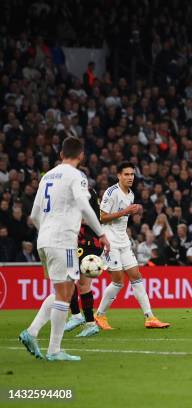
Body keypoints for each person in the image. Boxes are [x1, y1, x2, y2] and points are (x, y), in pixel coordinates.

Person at [19, 137, 110, 361]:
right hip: (63, 241)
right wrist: (101, 233)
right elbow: (84, 206)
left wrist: (46, 233)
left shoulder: (47, 176)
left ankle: (32, 332)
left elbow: (33, 215)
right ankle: (54, 350)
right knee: (64, 294)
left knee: (63, 292)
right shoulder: (76, 176)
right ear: (81, 156)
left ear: (61, 154)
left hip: (45, 240)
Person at [94, 162, 170, 330]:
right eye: (126, 174)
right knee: (118, 281)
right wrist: (125, 212)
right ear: (119, 176)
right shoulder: (111, 192)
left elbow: (125, 215)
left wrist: (134, 211)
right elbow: (101, 217)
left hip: (123, 240)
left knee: (136, 275)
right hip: (110, 241)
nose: (130, 177)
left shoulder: (131, 194)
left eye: (132, 174)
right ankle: (99, 315)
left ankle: (150, 317)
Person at [64, 188, 104, 337]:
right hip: (74, 241)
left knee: (83, 284)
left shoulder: (85, 192)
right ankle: (76, 316)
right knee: (68, 279)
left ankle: (90, 323)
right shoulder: (79, 191)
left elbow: (90, 217)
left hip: (88, 241)